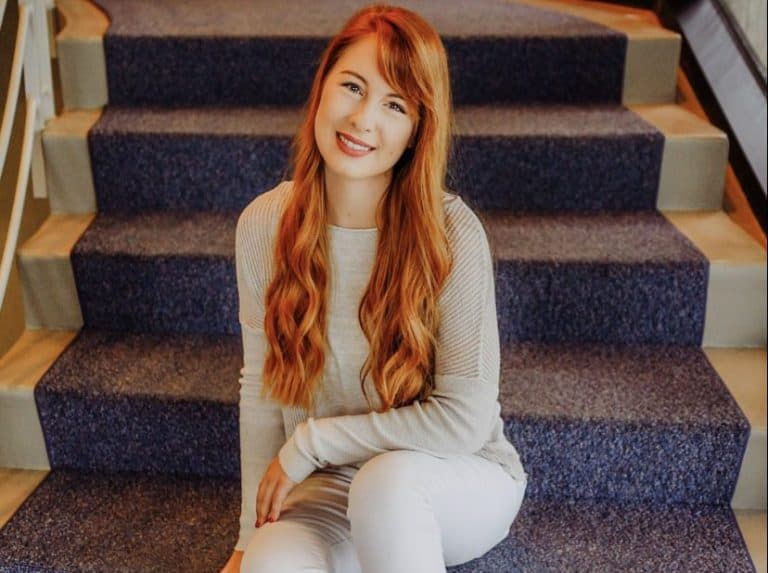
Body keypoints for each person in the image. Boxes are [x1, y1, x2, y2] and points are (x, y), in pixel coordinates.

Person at [219, 4, 528, 572]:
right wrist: (245, 538)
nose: (363, 119)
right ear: (321, 91)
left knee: (386, 487)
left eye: (394, 105)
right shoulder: (265, 223)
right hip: (329, 489)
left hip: (447, 479)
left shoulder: (452, 233)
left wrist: (311, 443)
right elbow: (261, 389)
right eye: (352, 87)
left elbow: (462, 420)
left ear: (416, 131)